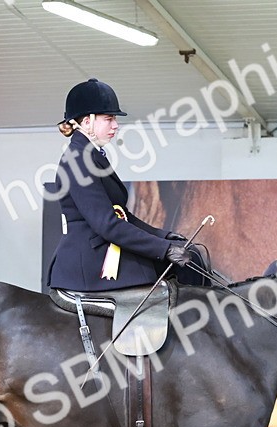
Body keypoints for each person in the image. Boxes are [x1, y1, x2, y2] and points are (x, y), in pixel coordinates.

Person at [46, 78, 191, 292]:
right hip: (90, 262)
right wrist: (164, 249)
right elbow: (107, 224)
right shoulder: (77, 160)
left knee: (192, 256)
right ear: (87, 122)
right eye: (109, 119)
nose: (116, 125)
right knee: (180, 267)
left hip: (103, 250)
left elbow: (121, 214)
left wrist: (164, 236)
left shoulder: (92, 155)